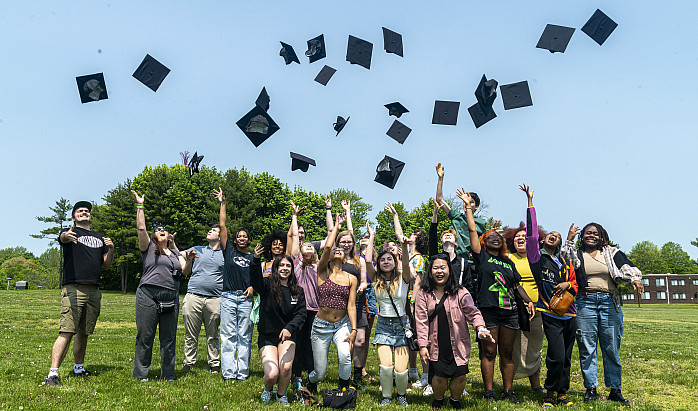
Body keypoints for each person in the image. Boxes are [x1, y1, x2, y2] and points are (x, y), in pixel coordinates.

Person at [458, 188, 535, 404]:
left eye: (498, 237)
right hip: (489, 311)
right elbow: (472, 230)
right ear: (483, 243)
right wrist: (467, 208)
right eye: (490, 237)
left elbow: (517, 286)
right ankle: (489, 391)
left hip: (510, 311)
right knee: (489, 351)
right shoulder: (481, 258)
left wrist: (528, 302)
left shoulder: (508, 262)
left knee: (507, 353)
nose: (495, 238)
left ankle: (508, 390)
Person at [561, 220, 644, 406]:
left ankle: (615, 390)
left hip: (609, 303)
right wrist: (569, 240)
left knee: (611, 349)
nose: (591, 236)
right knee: (587, 348)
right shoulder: (577, 253)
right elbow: (564, 261)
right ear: (582, 236)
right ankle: (591, 389)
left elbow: (626, 266)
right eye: (588, 233)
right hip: (584, 303)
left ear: (602, 236)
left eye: (595, 233)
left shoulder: (610, 252)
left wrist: (635, 280)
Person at [519, 184, 578, 408]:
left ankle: (562, 393)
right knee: (556, 355)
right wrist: (530, 203)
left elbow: (575, 284)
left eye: (557, 236)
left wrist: (566, 284)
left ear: (560, 244)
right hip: (550, 313)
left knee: (566, 358)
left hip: (570, 315)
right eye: (550, 235)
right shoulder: (537, 258)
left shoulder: (564, 262)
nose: (553, 236)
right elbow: (532, 235)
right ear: (544, 242)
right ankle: (550, 394)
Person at [44, 201, 114, 386]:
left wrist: (111, 249)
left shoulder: (99, 237)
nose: (85, 212)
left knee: (84, 332)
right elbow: (63, 238)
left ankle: (79, 368)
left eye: (87, 211)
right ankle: (52, 373)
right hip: (74, 288)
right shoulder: (70, 233)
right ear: (74, 217)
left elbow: (106, 264)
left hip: (94, 289)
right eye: (80, 211)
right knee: (67, 331)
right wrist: (66, 235)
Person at [415, 254, 494, 409]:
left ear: (449, 270)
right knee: (439, 376)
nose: (439, 271)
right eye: (435, 268)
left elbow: (473, 312)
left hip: (458, 341)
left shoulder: (461, 292)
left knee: (460, 374)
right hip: (436, 341)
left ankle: (455, 400)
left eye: (443, 267)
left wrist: (480, 328)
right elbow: (421, 321)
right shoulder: (423, 294)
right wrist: (423, 345)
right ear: (430, 271)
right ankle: (438, 399)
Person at [131, 190, 195, 381]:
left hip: (171, 297)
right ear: (154, 235)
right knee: (145, 336)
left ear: (169, 235)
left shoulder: (176, 254)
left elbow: (185, 271)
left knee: (169, 339)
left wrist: (190, 260)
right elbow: (141, 229)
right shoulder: (149, 248)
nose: (161, 230)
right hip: (148, 294)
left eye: (164, 229)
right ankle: (141, 374)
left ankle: (168, 374)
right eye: (157, 229)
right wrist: (140, 206)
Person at [305, 214, 358, 393]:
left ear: (345, 257)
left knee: (345, 357)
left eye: (341, 250)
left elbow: (351, 306)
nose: (337, 250)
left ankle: (343, 390)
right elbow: (327, 245)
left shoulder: (351, 278)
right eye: (335, 249)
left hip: (342, 325)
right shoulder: (322, 272)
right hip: (321, 326)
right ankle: (309, 381)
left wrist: (354, 330)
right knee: (320, 372)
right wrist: (336, 225)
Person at [250, 244, 307, 405]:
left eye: (288, 265)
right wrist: (255, 260)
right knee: (272, 374)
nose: (285, 268)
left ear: (292, 269)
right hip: (267, 336)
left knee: (286, 368)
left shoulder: (298, 290)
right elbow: (255, 280)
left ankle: (281, 394)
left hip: (287, 336)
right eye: (281, 265)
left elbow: (301, 314)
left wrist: (289, 328)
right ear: (275, 268)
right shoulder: (267, 285)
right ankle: (268, 390)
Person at [364, 223, 412, 407]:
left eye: (389, 259)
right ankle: (386, 397)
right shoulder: (376, 279)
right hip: (383, 325)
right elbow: (368, 261)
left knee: (400, 369)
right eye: (382, 260)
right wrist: (372, 237)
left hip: (401, 326)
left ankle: (401, 395)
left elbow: (406, 263)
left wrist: (405, 247)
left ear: (394, 262)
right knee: (386, 366)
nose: (385, 262)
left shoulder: (404, 278)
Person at [384, 202, 429, 388]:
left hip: (412, 300)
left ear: (418, 240)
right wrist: (395, 215)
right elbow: (398, 234)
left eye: (414, 235)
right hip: (403, 299)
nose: (409, 236)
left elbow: (417, 281)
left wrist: (413, 301)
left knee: (419, 335)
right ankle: (412, 371)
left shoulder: (417, 258)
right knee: (408, 335)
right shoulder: (407, 255)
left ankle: (426, 376)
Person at [214, 187, 255, 382]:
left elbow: (258, 278)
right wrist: (223, 203)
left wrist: (253, 287)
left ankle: (243, 372)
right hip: (229, 297)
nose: (241, 238)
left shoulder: (253, 257)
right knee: (229, 335)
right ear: (235, 239)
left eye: (244, 236)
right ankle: (229, 373)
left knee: (244, 336)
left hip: (246, 300)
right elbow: (222, 226)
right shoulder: (228, 251)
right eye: (239, 236)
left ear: (248, 240)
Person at [503, 220, 545, 395]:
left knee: (534, 347)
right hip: (513, 309)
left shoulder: (539, 259)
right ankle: (508, 387)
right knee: (511, 348)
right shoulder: (508, 259)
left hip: (538, 308)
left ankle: (536, 386)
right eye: (516, 237)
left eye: (524, 237)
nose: (520, 239)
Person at [434, 163, 487, 297]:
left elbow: (484, 243)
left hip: (471, 264)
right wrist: (440, 179)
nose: (466, 204)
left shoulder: (480, 223)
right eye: (464, 202)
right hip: (453, 261)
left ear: (477, 206)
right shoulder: (456, 217)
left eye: (471, 202)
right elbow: (439, 200)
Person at [181, 224, 224, 373]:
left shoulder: (225, 254)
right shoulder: (197, 249)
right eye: (210, 229)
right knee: (190, 334)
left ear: (220, 236)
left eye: (214, 230)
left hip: (215, 299)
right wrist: (187, 259)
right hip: (193, 296)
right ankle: (188, 362)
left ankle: (214, 363)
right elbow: (181, 256)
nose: (209, 231)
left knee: (212, 334)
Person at [287, 201, 320, 386]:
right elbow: (294, 237)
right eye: (304, 245)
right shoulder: (295, 260)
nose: (307, 247)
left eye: (310, 246)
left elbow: (330, 239)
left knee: (313, 342)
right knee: (297, 341)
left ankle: (312, 375)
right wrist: (295, 215)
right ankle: (296, 373)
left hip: (315, 308)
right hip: (299, 307)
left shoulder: (318, 265)